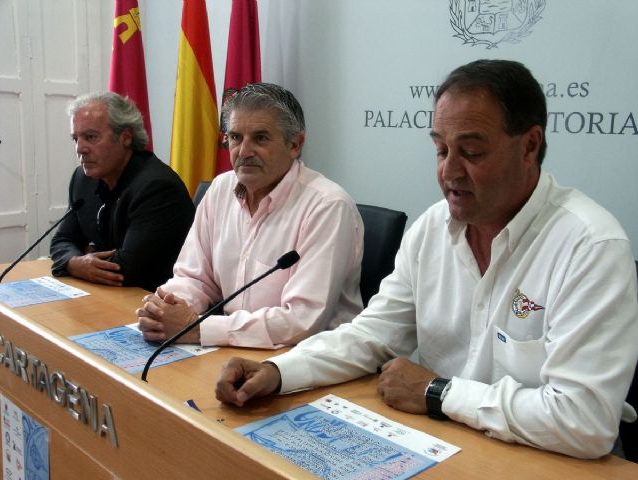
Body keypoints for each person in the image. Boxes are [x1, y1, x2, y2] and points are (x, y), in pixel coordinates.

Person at [215, 60, 638, 459]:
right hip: (451, 441)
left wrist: (439, 392)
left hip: (550, 459)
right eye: (440, 150)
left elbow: (585, 421)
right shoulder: (433, 227)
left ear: (529, 146)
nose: (449, 172)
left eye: (471, 152)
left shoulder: (590, 245)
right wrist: (278, 371)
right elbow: (371, 336)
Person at [136, 83, 363, 349]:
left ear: (295, 144)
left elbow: (302, 321)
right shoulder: (221, 189)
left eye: (260, 138)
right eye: (235, 137)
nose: (243, 151)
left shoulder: (328, 207)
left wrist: (196, 328)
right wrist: (166, 309)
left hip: (311, 360)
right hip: (234, 348)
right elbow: (194, 277)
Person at [50, 92, 194, 292]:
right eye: (76, 138)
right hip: (106, 294)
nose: (80, 148)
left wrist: (86, 254)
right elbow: (62, 240)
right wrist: (75, 262)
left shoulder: (157, 187)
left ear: (125, 137)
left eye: (90, 137)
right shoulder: (83, 179)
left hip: (151, 299)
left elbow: (127, 268)